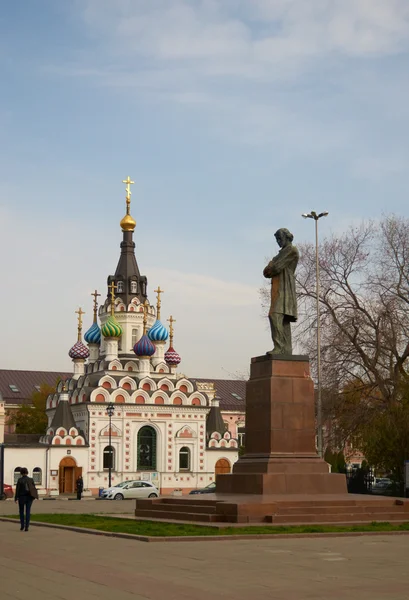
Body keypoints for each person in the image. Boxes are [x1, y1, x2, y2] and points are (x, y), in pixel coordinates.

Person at [263, 228, 299, 355]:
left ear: (287, 237)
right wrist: (271, 267)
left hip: (285, 288)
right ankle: (286, 349)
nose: (278, 241)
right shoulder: (278, 255)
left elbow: (276, 268)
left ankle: (279, 347)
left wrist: (271, 266)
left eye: (280, 238)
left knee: (275, 315)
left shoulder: (292, 251)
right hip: (278, 288)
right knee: (282, 319)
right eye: (277, 239)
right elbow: (265, 272)